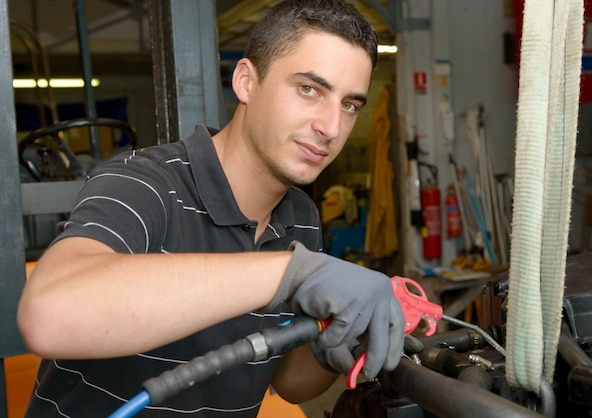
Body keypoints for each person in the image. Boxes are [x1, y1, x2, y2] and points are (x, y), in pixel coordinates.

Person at [17, 0, 405, 416]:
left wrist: (340, 339)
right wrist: (291, 274)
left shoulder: (301, 218)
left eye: (349, 105)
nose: (331, 127)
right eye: (309, 89)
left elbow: (288, 382)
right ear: (245, 82)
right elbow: (48, 315)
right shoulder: (145, 181)